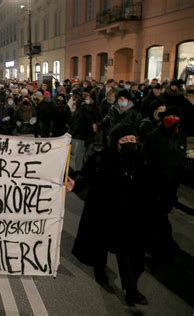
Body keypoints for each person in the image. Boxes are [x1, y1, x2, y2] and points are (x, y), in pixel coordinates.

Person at [68, 124, 150, 305]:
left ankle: (131, 290)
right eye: (124, 140)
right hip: (103, 211)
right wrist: (76, 185)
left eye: (132, 140)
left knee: (127, 252)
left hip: (128, 215)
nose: (129, 143)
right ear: (115, 142)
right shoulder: (101, 158)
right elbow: (86, 176)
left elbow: (148, 186)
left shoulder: (140, 160)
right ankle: (100, 270)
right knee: (100, 245)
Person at [143, 106, 186, 263]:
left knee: (161, 216)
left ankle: (160, 245)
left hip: (170, 186)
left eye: (175, 115)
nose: (172, 118)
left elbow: (180, 160)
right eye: (169, 115)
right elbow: (146, 160)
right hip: (154, 185)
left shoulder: (179, 136)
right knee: (157, 217)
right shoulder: (153, 136)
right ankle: (159, 247)